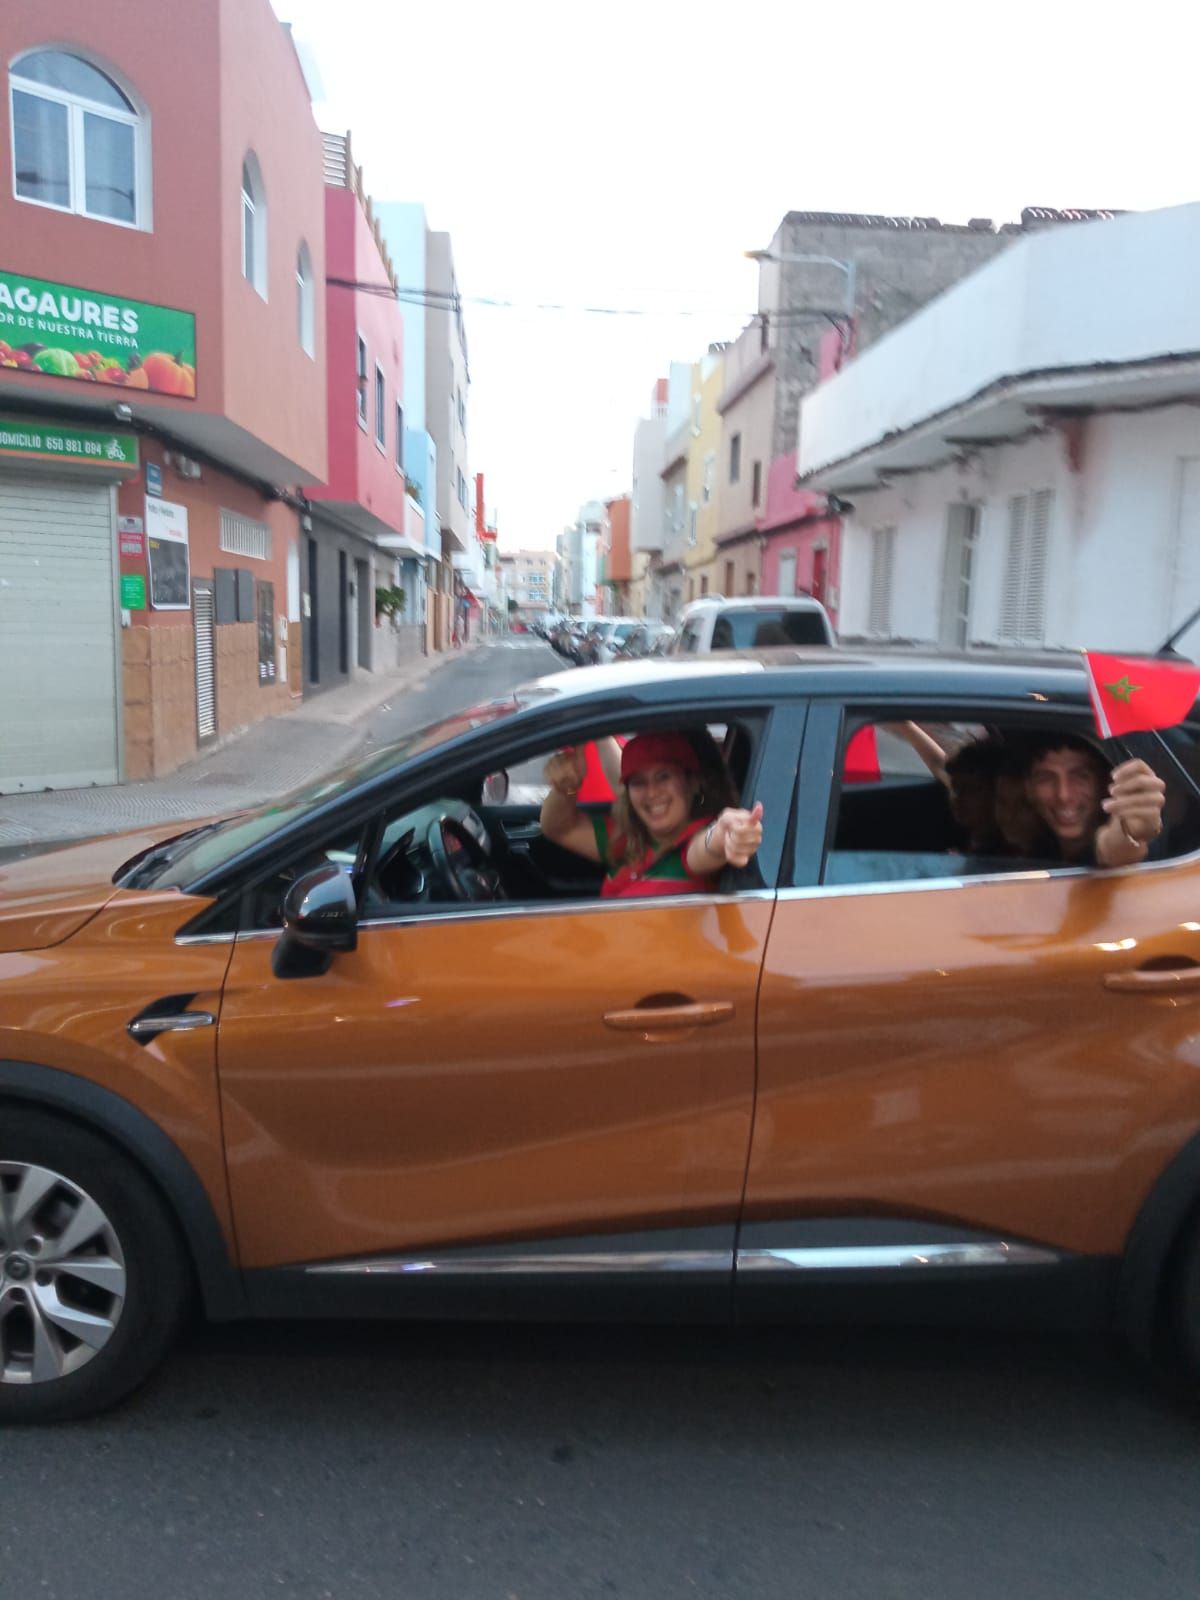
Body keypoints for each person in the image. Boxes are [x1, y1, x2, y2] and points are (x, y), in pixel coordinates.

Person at [540, 731, 764, 898]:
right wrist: (567, 787)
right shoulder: (629, 838)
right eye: (638, 782)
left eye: (663, 777)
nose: (652, 793)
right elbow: (559, 828)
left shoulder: (695, 840)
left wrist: (726, 832)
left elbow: (707, 847)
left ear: (693, 783)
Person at [1022, 734, 1165, 868]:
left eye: (1079, 777)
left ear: (1102, 783)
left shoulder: (1111, 836)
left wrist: (1132, 832)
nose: (1063, 795)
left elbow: (1114, 850)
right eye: (1046, 778)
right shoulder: (1031, 848)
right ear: (1029, 788)